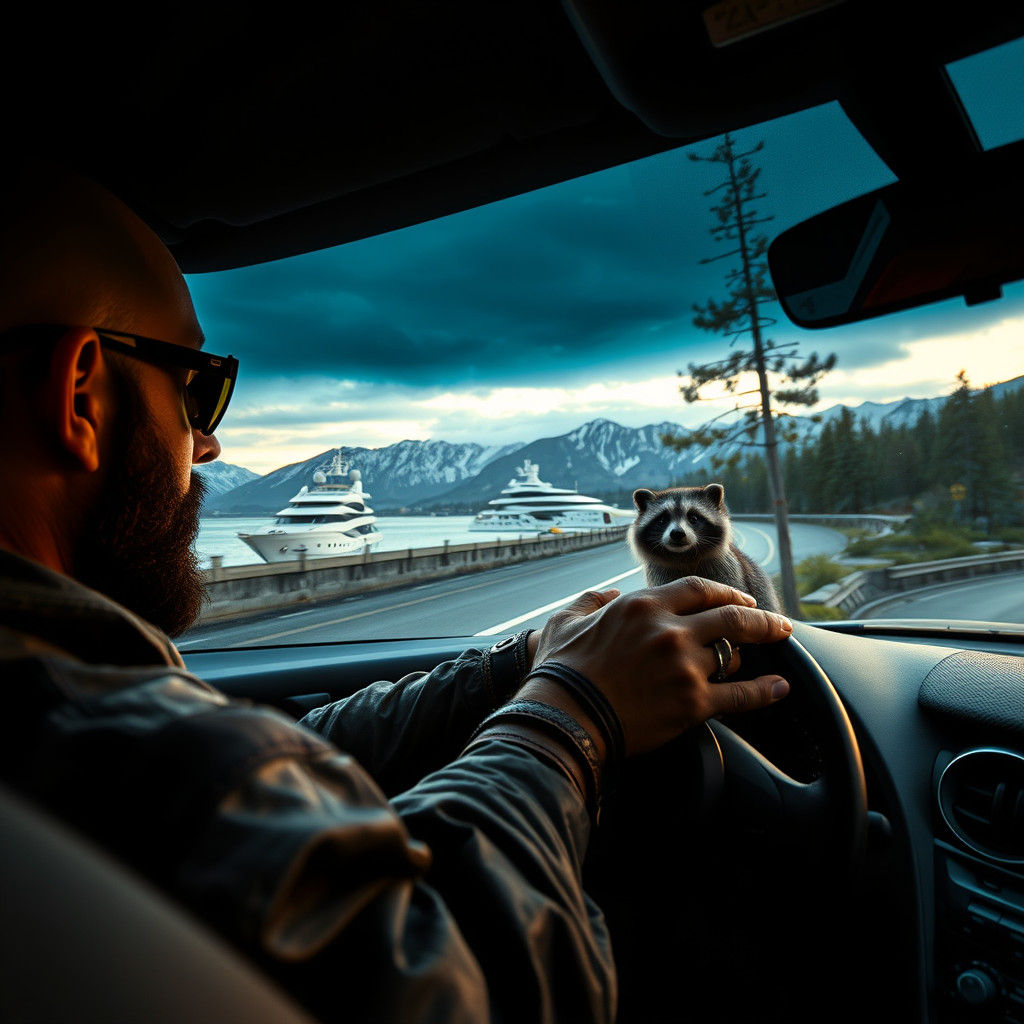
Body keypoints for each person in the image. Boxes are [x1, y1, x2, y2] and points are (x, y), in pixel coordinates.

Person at [0, 163, 794, 1023]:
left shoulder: (79, 718)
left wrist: (524, 665)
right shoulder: (93, 734)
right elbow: (466, 984)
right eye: (198, 389)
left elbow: (285, 762)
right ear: (79, 394)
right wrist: (573, 717)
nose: (210, 444)